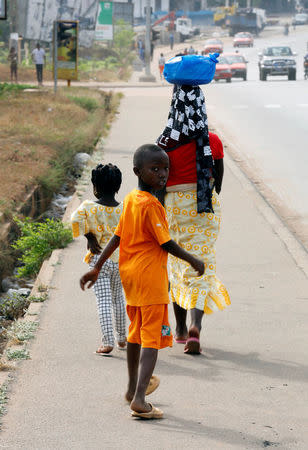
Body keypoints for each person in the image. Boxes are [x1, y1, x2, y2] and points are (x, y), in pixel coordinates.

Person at [80, 144, 204, 419]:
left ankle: (131, 389)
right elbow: (167, 243)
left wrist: (97, 267)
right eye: (155, 169)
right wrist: (193, 260)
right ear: (138, 171)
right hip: (150, 280)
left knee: (136, 335)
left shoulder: (132, 199)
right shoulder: (151, 205)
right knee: (151, 338)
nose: (162, 174)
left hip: (131, 278)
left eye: (165, 168)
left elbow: (117, 236)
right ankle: (140, 399)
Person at [157, 85, 230, 355]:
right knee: (202, 262)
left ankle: (179, 329)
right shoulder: (212, 140)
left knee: (177, 264)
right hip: (205, 207)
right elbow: (218, 180)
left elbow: (157, 183)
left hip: (175, 209)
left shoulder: (165, 144)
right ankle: (195, 325)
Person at [71, 164, 126, 355]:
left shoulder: (88, 207)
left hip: (98, 261)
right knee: (118, 299)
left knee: (103, 301)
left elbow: (74, 220)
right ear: (118, 186)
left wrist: (89, 237)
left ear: (95, 187)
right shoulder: (124, 209)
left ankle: (107, 341)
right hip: (119, 261)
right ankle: (122, 338)